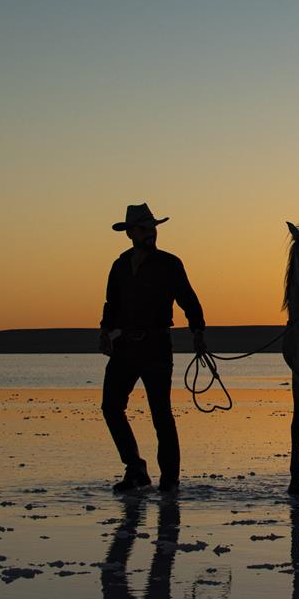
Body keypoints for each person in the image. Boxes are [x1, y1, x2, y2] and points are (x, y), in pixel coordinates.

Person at [100, 203, 206, 492]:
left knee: (161, 414)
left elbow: (188, 299)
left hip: (157, 346)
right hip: (124, 347)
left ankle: (169, 480)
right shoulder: (120, 266)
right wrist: (105, 331)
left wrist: (198, 329)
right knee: (111, 407)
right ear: (130, 233)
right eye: (144, 229)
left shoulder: (170, 264)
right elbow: (111, 304)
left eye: (152, 228)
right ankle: (135, 468)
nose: (151, 233)